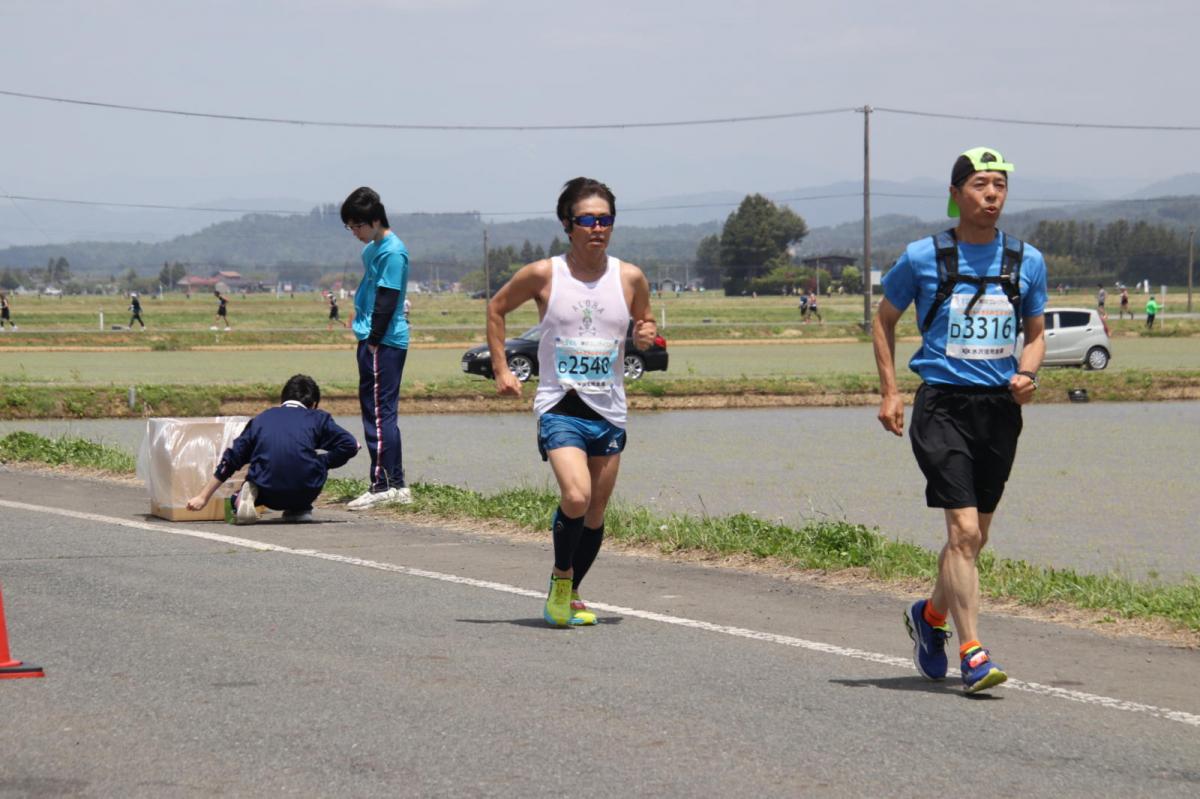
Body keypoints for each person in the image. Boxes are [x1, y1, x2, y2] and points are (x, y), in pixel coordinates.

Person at [873, 146, 1047, 694]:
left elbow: (1037, 335)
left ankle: (930, 618)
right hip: (942, 405)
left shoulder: (1027, 261)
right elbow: (883, 321)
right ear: (955, 195)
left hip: (998, 411)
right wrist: (891, 392)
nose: (991, 194)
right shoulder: (922, 257)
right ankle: (973, 653)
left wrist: (1028, 375)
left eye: (999, 185)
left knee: (974, 540)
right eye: (979, 185)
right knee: (963, 531)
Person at [486, 177, 656, 628]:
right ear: (568, 224)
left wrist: (645, 334)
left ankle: (573, 591)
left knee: (596, 510)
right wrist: (503, 369)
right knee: (576, 495)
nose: (598, 228)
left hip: (609, 409)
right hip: (560, 403)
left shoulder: (631, 277)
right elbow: (497, 308)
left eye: (605, 220)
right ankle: (561, 579)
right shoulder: (545, 274)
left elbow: (645, 324)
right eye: (588, 220)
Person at [186, 374, 359, 524]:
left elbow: (231, 459)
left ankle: (240, 499)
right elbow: (350, 445)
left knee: (254, 475)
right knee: (310, 465)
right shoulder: (318, 418)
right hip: (305, 489)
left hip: (267, 493)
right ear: (314, 404)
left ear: (282, 399)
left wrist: (203, 497)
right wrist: (322, 462)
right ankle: (300, 509)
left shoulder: (262, 419)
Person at [341, 186, 414, 510]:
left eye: (356, 226)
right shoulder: (372, 249)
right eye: (350, 227)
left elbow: (387, 299)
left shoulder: (392, 252)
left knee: (380, 415)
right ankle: (395, 483)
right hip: (374, 338)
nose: (354, 233)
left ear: (373, 221)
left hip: (382, 342)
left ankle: (383, 483)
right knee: (378, 411)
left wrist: (372, 341)